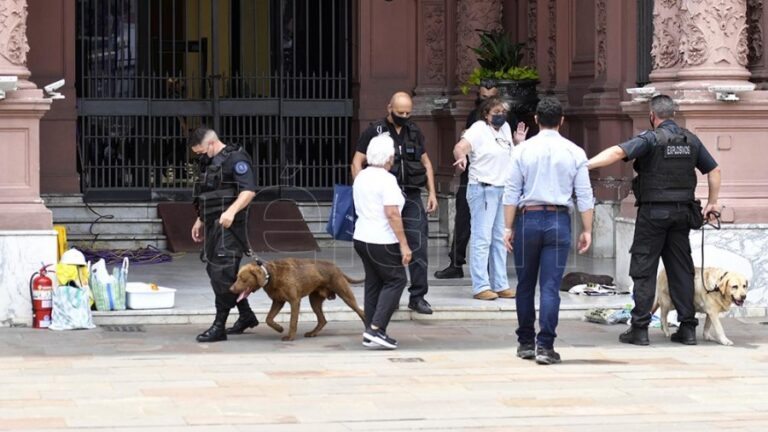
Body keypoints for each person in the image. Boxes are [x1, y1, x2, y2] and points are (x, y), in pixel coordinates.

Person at [587, 94, 721, 346]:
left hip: (653, 214)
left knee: (644, 270)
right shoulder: (691, 140)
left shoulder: (650, 139)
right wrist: (712, 202)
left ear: (652, 116)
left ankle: (639, 329)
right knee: (681, 269)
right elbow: (714, 170)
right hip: (683, 214)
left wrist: (584, 165)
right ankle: (688, 329)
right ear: (673, 114)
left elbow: (617, 152)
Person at [503, 97, 594, 365]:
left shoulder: (521, 151)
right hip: (558, 221)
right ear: (562, 121)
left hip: (527, 219)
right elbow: (585, 195)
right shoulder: (575, 152)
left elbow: (511, 192)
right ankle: (545, 346)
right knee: (550, 287)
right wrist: (587, 229)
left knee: (525, 285)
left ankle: (524, 343)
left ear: (536, 119)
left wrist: (507, 227)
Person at [351, 92, 437, 315]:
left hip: (410, 195)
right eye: (400, 113)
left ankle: (418, 296)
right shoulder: (374, 130)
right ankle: (390, 296)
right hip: (384, 195)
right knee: (387, 247)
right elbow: (357, 161)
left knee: (418, 246)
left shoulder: (414, 131)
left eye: (408, 112)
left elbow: (425, 163)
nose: (405, 116)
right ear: (389, 108)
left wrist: (433, 194)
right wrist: (364, 186)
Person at [453, 96, 527, 300]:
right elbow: (461, 147)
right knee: (481, 238)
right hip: (483, 189)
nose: (501, 116)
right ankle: (480, 286)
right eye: (496, 113)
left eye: (503, 112)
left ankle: (500, 284)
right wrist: (460, 158)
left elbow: (508, 154)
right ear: (486, 114)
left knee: (500, 239)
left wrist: (517, 143)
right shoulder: (478, 129)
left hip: (502, 189)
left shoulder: (504, 130)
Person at [190, 128, 258, 343]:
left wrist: (231, 211)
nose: (200, 156)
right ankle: (246, 315)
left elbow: (248, 191)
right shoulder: (210, 162)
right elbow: (208, 193)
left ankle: (219, 326)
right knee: (216, 270)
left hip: (231, 226)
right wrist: (200, 219)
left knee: (222, 271)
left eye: (201, 151)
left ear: (211, 143)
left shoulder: (236, 159)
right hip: (213, 224)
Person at [435, 85, 501, 279]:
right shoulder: (475, 118)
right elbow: (462, 144)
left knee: (493, 229)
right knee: (463, 219)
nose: (486, 100)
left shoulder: (506, 121)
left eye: (490, 97)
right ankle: (456, 262)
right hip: (472, 177)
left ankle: (492, 271)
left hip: (496, 181)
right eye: (483, 97)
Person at [353, 134, 412, 349]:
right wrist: (404, 244)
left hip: (362, 236)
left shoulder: (361, 176)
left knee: (374, 283)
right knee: (396, 280)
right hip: (382, 239)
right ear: (389, 157)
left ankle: (371, 329)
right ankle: (376, 329)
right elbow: (393, 214)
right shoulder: (387, 180)